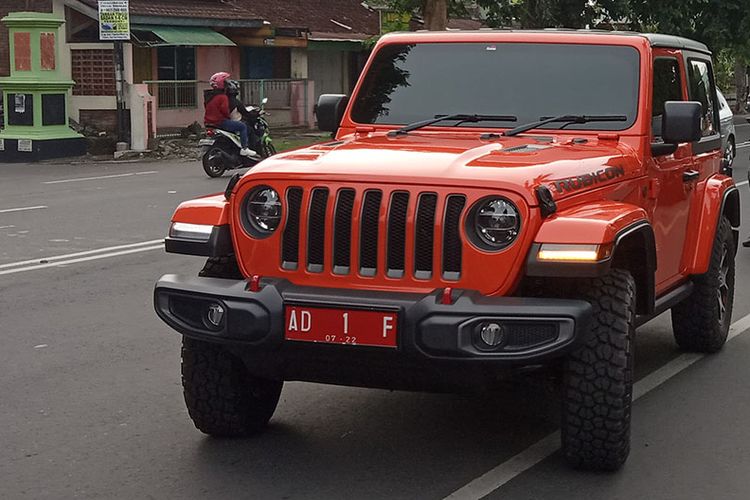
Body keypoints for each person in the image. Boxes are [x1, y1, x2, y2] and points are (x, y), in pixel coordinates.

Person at [204, 72, 257, 157]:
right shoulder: (223, 97)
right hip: (220, 122)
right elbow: (225, 111)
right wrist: (228, 117)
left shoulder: (209, 96)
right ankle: (244, 148)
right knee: (242, 127)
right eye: (225, 82)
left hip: (208, 122)